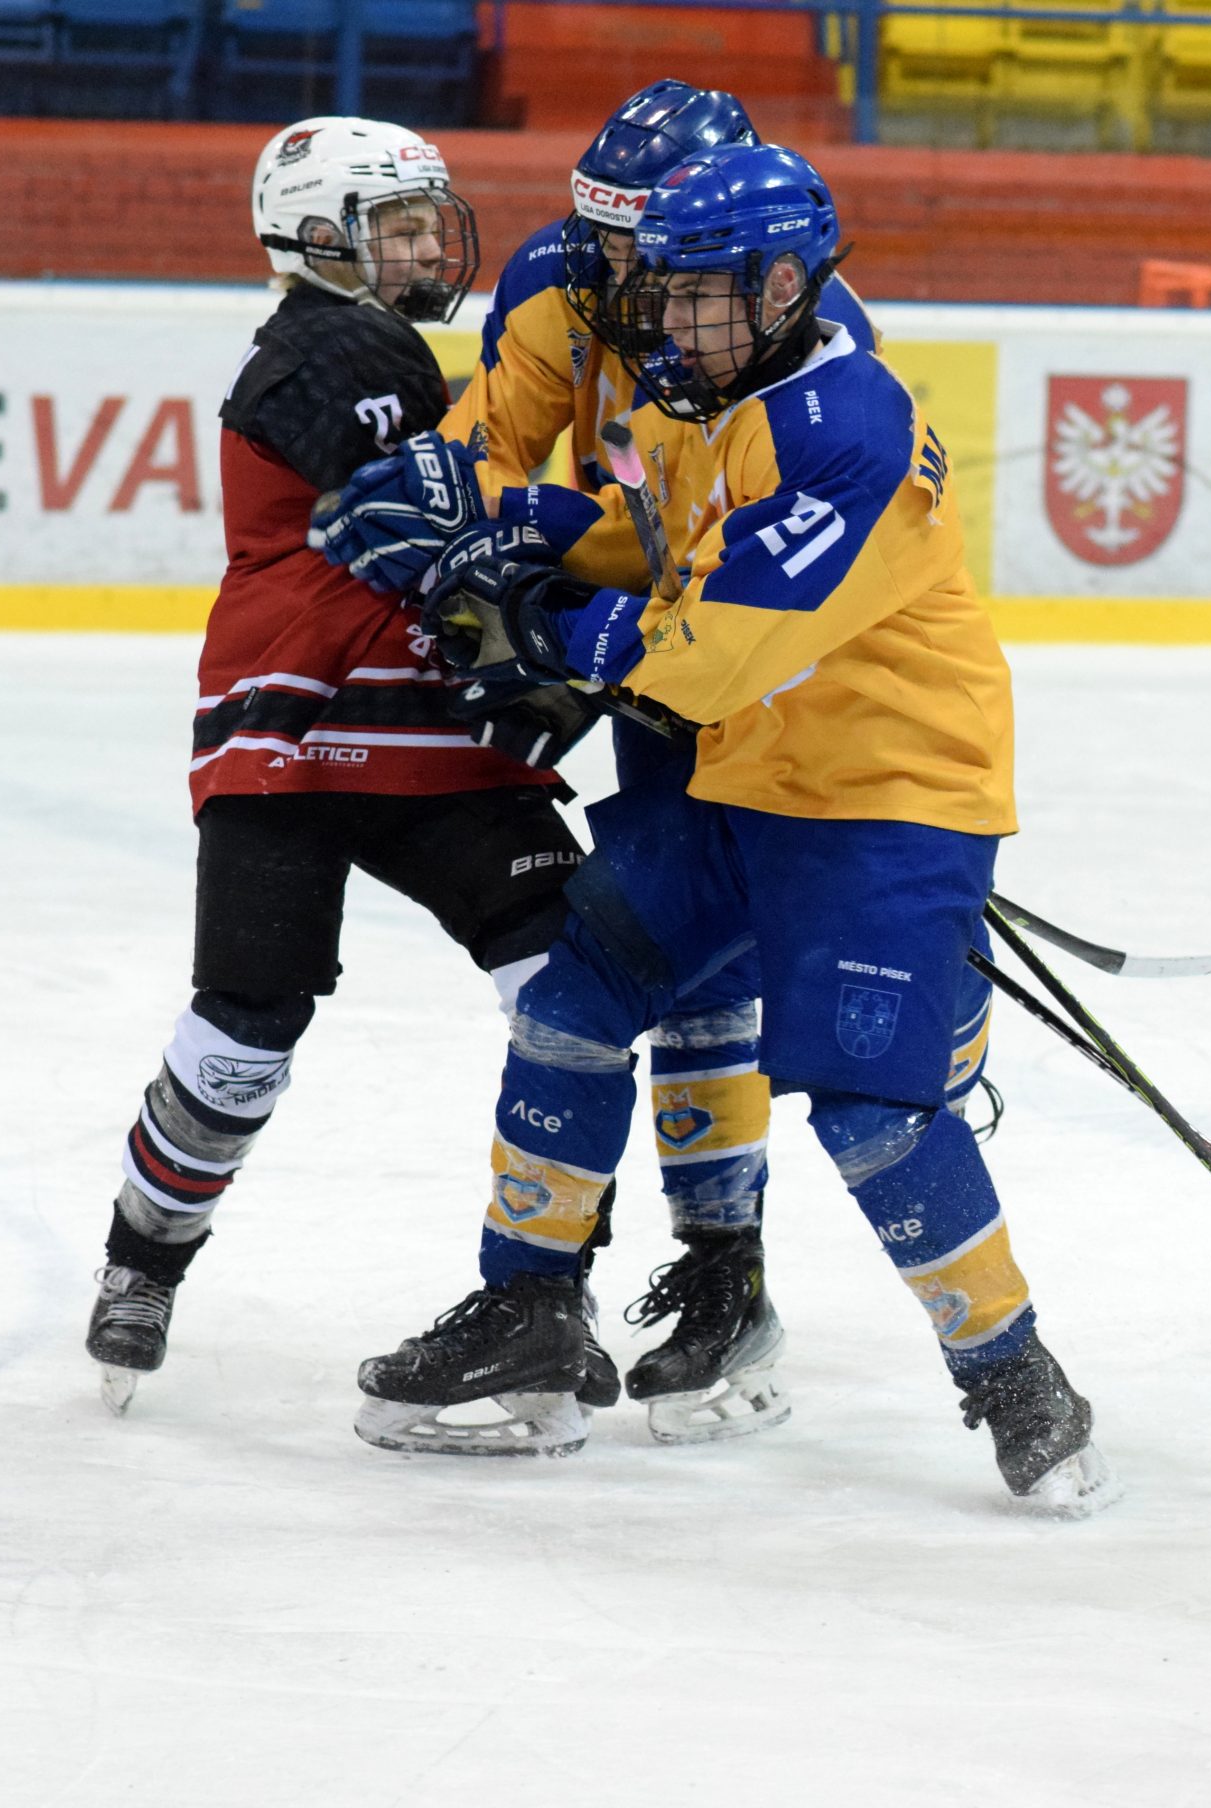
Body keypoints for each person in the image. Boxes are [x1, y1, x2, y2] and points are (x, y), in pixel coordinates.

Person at [348, 143, 1117, 1514]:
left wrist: (542, 620)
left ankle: (1017, 1380)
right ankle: (529, 1310)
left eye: (700, 294)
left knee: (874, 1111)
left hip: (887, 807)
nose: (668, 318)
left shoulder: (850, 428)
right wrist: (511, 524)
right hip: (742, 789)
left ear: (782, 288)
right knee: (574, 1001)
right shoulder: (705, 394)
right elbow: (660, 543)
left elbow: (708, 654)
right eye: (664, 291)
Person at [311, 80, 880, 1443]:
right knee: (665, 970)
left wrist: (574, 620)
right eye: (600, 233)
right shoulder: (558, 279)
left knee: (706, 980)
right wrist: (473, 548)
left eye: (640, 241)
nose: (614, 267)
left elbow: (762, 578)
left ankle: (718, 1274)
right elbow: (489, 455)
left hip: (761, 677)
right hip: (643, 635)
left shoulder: (816, 349)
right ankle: (635, 1291)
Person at [80, 117, 628, 1417]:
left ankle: (543, 1296)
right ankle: (142, 1262)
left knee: (567, 991)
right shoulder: (328, 351)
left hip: (431, 731)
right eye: (402, 227)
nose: (432, 246)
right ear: (317, 239)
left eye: (433, 221)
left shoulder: (376, 347)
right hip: (301, 727)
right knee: (250, 1026)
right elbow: (440, 513)